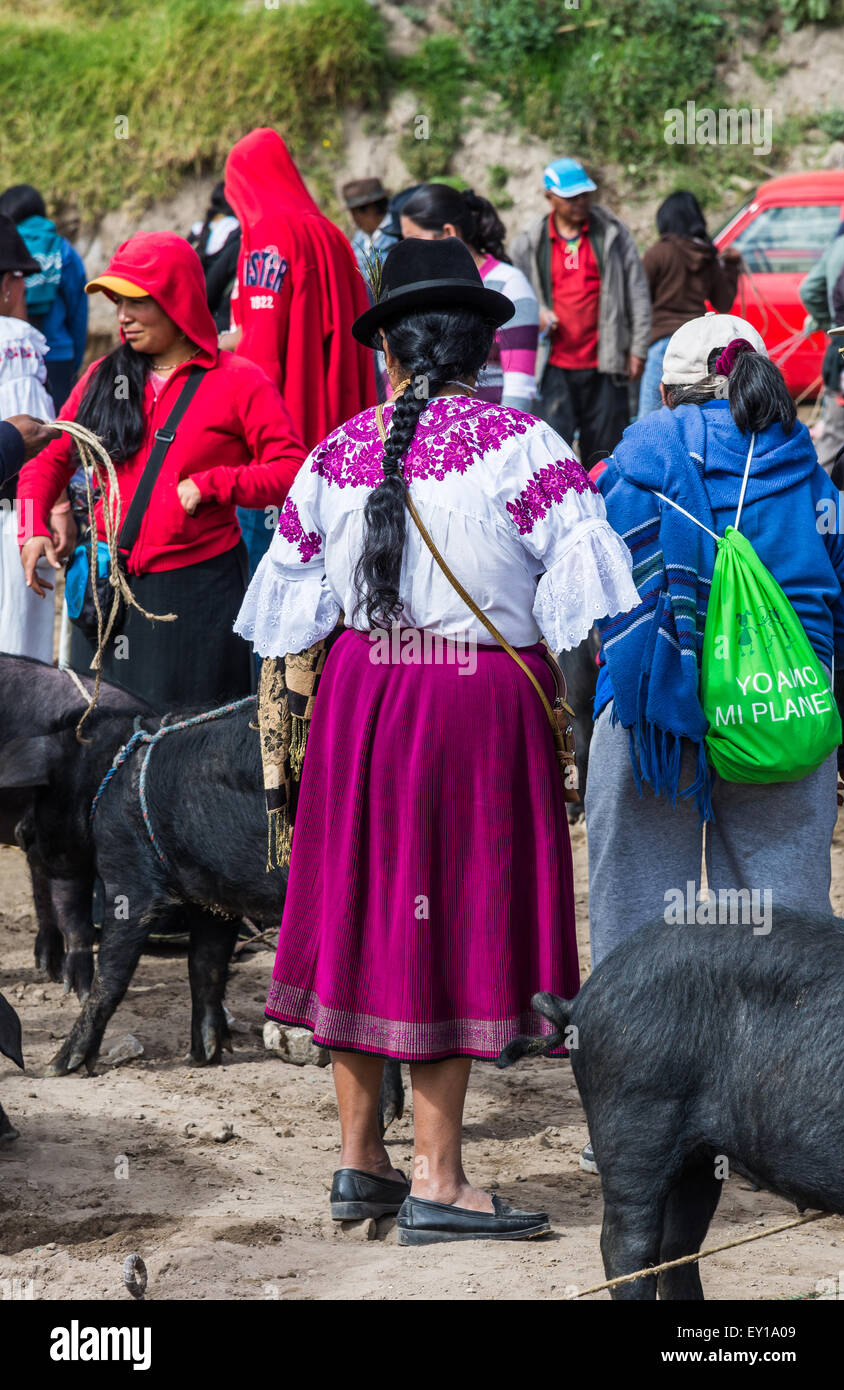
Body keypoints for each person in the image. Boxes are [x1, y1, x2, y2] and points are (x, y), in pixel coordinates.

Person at [235, 237, 638, 1242]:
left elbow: (284, 615)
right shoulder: (527, 447)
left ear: (391, 356)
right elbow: (585, 597)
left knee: (369, 904)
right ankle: (439, 1177)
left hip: (362, 695)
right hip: (470, 703)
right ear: (480, 350)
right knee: (443, 915)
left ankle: (359, 1163)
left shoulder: (336, 450)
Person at [586, 312, 844, 968]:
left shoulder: (629, 468)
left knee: (637, 925)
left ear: (667, 393)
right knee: (780, 932)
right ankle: (776, 1066)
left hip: (651, 717)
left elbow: (587, 596)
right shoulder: (811, 473)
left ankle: (639, 1061)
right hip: (778, 713)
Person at [17, 231, 305, 709]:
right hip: (107, 590)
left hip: (197, 596)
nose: (123, 317)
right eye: (117, 302)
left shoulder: (239, 381)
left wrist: (217, 484)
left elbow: (291, 469)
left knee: (188, 742)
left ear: (177, 301)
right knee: (95, 737)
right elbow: (50, 455)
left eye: (137, 302)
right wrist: (31, 525)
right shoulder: (101, 378)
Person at [223, 129, 376, 574]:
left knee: (266, 592)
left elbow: (262, 353)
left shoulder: (268, 237)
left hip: (278, 449)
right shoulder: (332, 234)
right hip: (339, 446)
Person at [512, 157, 651, 468]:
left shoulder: (611, 235)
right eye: (571, 197)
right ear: (550, 197)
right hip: (552, 367)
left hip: (605, 363)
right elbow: (517, 295)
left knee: (605, 455)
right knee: (550, 453)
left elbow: (637, 292)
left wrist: (638, 350)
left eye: (584, 195)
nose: (580, 203)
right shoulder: (530, 242)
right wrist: (540, 313)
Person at [400, 184, 539, 413]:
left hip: (490, 434)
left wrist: (499, 438)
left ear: (448, 233)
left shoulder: (509, 284)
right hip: (433, 436)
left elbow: (519, 388)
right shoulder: (424, 292)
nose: (408, 251)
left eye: (414, 239)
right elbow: (419, 373)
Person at [0, 214, 65, 662]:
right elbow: (35, 443)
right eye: (21, 278)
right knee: (18, 653)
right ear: (7, 283)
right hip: (11, 518)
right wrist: (47, 513)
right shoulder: (17, 341)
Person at [637, 191, 740, 417]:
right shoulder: (707, 256)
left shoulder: (659, 253)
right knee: (694, 416)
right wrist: (732, 268)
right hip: (697, 345)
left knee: (649, 419)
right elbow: (723, 303)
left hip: (662, 347)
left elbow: (638, 300)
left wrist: (633, 350)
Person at [0, 185, 88, 411]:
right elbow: (78, 311)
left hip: (9, 354)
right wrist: (74, 360)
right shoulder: (63, 250)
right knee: (58, 431)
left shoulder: (7, 245)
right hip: (58, 354)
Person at [800, 219, 844, 473]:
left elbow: (810, 290)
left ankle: (823, 506)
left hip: (840, 350)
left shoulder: (840, 245)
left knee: (834, 437)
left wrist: (827, 320)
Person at [188, 181, 241, 333]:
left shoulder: (198, 230)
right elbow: (215, 282)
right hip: (217, 319)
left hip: (190, 314)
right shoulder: (235, 231)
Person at [342, 177, 399, 279]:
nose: (354, 219)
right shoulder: (359, 238)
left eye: (355, 213)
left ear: (371, 208)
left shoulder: (398, 233)